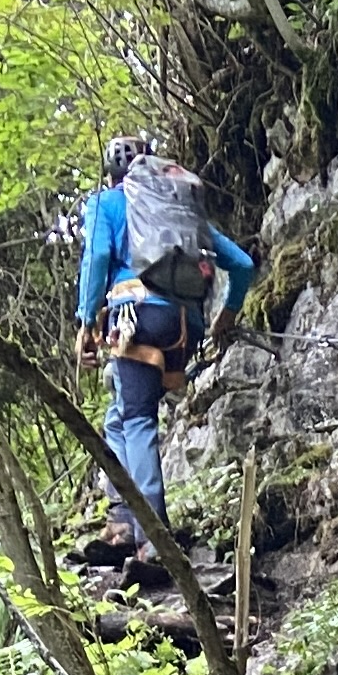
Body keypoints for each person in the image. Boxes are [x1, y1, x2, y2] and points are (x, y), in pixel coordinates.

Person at [74, 137, 253, 565]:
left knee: (136, 419)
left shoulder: (106, 204)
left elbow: (97, 256)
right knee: (119, 418)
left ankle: (154, 535)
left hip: (135, 317)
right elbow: (243, 264)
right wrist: (226, 313)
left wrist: (85, 319)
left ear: (111, 174)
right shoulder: (177, 211)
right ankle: (122, 520)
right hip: (183, 324)